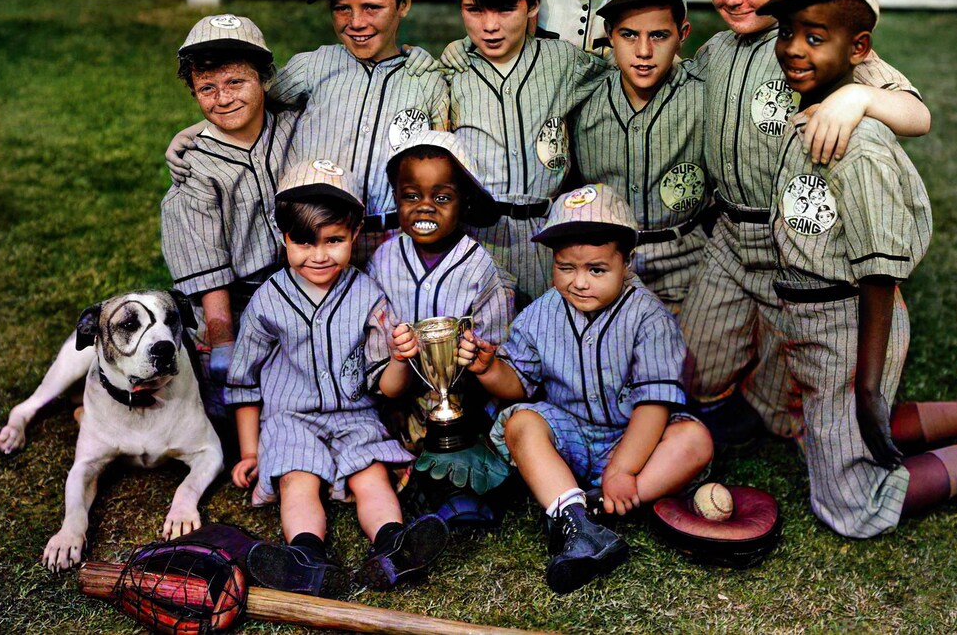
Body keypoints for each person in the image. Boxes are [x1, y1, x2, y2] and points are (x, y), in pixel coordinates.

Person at [760, 0, 957, 537]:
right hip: (809, 314)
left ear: (859, 49)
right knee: (825, 431)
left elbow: (879, 278)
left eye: (815, 37)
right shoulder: (812, 106)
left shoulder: (859, 149)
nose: (793, 50)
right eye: (786, 33)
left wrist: (866, 386)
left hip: (852, 319)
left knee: (851, 507)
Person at [677, 0, 932, 446]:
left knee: (793, 389)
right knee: (694, 366)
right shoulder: (714, 50)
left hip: (793, 246)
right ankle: (739, 403)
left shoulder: (812, 45)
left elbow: (917, 114)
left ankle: (795, 411)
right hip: (728, 236)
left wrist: (859, 96)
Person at [457, 184, 713, 592]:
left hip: (634, 440)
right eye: (565, 267)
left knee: (694, 440)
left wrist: (624, 469)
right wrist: (489, 369)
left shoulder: (649, 317)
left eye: (596, 269)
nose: (579, 282)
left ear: (627, 261)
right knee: (521, 423)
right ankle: (580, 520)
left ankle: (589, 508)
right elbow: (518, 385)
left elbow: (653, 406)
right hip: (570, 436)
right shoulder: (541, 313)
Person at [226, 159, 448, 595]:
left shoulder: (367, 295)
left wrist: (402, 358)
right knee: (297, 480)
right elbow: (244, 378)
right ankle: (307, 559)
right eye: (304, 242)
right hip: (291, 418)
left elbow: (387, 386)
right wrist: (251, 451)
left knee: (372, 477)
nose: (319, 254)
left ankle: (394, 546)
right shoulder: (269, 301)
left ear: (355, 232)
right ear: (284, 237)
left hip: (355, 415)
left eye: (334, 240)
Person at [166, 0, 450, 267]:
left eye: (372, 7)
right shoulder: (313, 67)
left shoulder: (427, 80)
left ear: (403, 4)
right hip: (316, 242)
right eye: (342, 8)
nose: (356, 22)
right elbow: (251, 102)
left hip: (393, 240)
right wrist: (195, 131)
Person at [443, 0, 609, 306]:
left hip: (547, 232)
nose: (490, 26)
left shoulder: (563, 62)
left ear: (533, 5)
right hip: (475, 236)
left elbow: (624, 69)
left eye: (505, 9)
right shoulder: (450, 71)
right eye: (474, 10)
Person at [161, 14, 299, 456]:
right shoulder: (194, 167)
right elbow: (208, 271)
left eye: (236, 82)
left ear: (264, 79)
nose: (222, 99)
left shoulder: (295, 125)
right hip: (235, 302)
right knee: (232, 412)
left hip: (305, 279)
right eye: (207, 88)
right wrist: (223, 341)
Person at [366, 129, 515, 528]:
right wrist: (394, 400)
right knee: (376, 453)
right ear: (396, 198)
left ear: (463, 202)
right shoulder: (383, 261)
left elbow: (496, 355)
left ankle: (461, 499)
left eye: (442, 197)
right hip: (401, 402)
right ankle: (417, 497)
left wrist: (478, 361)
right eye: (411, 196)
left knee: (470, 457)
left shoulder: (482, 269)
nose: (425, 208)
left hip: (466, 407)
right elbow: (379, 359)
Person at [571, 0, 710, 313]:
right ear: (609, 34)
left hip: (688, 262)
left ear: (683, 33)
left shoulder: (704, 93)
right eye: (629, 35)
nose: (644, 51)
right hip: (607, 264)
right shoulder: (582, 93)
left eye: (659, 36)